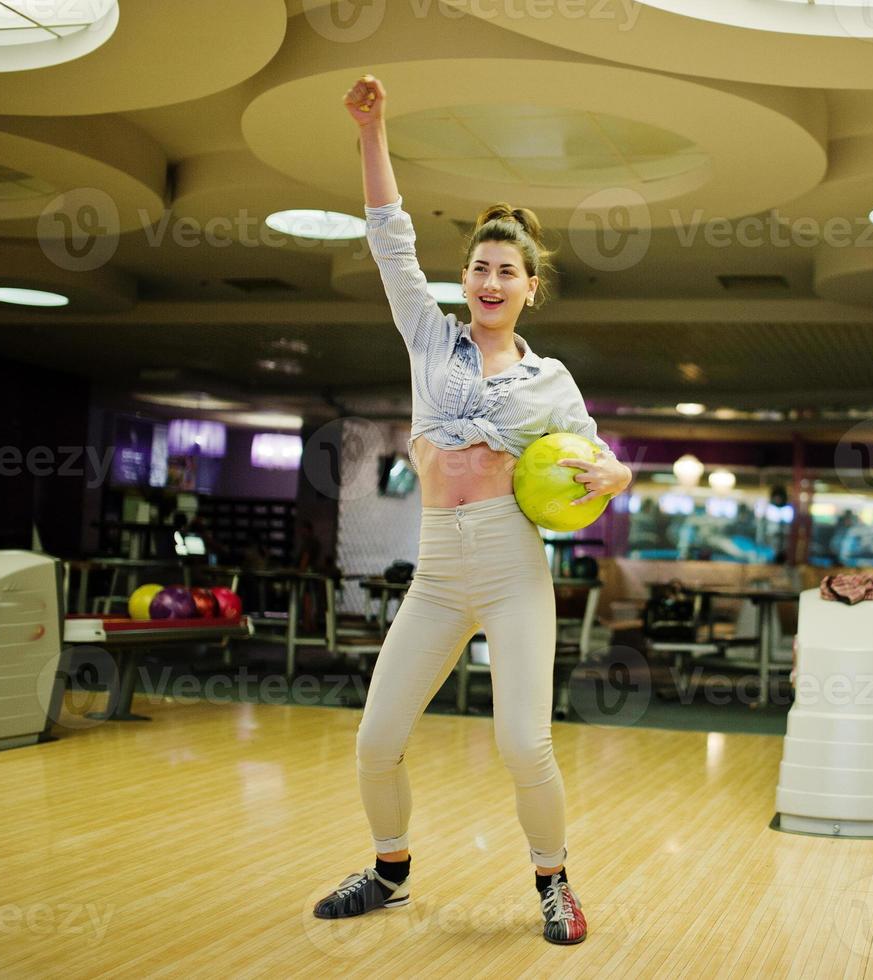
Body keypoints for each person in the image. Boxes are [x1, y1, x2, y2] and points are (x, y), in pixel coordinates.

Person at [313, 74, 633, 946]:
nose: (491, 281)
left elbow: (601, 463)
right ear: (465, 280)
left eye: (508, 272)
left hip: (511, 568)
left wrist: (618, 479)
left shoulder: (551, 380)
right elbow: (388, 238)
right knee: (377, 738)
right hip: (439, 567)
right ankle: (389, 871)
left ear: (531, 287)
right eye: (480, 269)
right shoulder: (430, 338)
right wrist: (371, 132)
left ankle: (554, 884)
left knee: (523, 747)